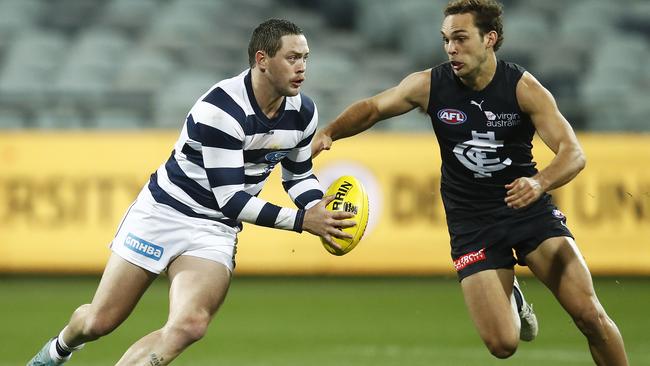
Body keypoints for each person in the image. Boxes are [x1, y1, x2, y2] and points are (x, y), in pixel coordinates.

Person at [312, 0, 629, 364]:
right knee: (503, 345)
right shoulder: (429, 85)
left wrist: (540, 183)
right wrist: (331, 132)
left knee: (591, 317)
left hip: (527, 211)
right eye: (446, 39)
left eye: (460, 39)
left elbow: (574, 154)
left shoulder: (523, 88)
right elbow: (374, 107)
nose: (451, 49)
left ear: (489, 39)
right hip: (471, 222)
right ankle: (513, 298)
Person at [28, 18, 356, 366]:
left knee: (191, 324)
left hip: (213, 229)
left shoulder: (303, 112)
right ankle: (58, 349)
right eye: (292, 58)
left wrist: (320, 209)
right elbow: (230, 198)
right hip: (164, 213)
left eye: (306, 57)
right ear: (262, 60)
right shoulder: (223, 109)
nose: (302, 67)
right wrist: (303, 221)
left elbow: (298, 176)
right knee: (99, 321)